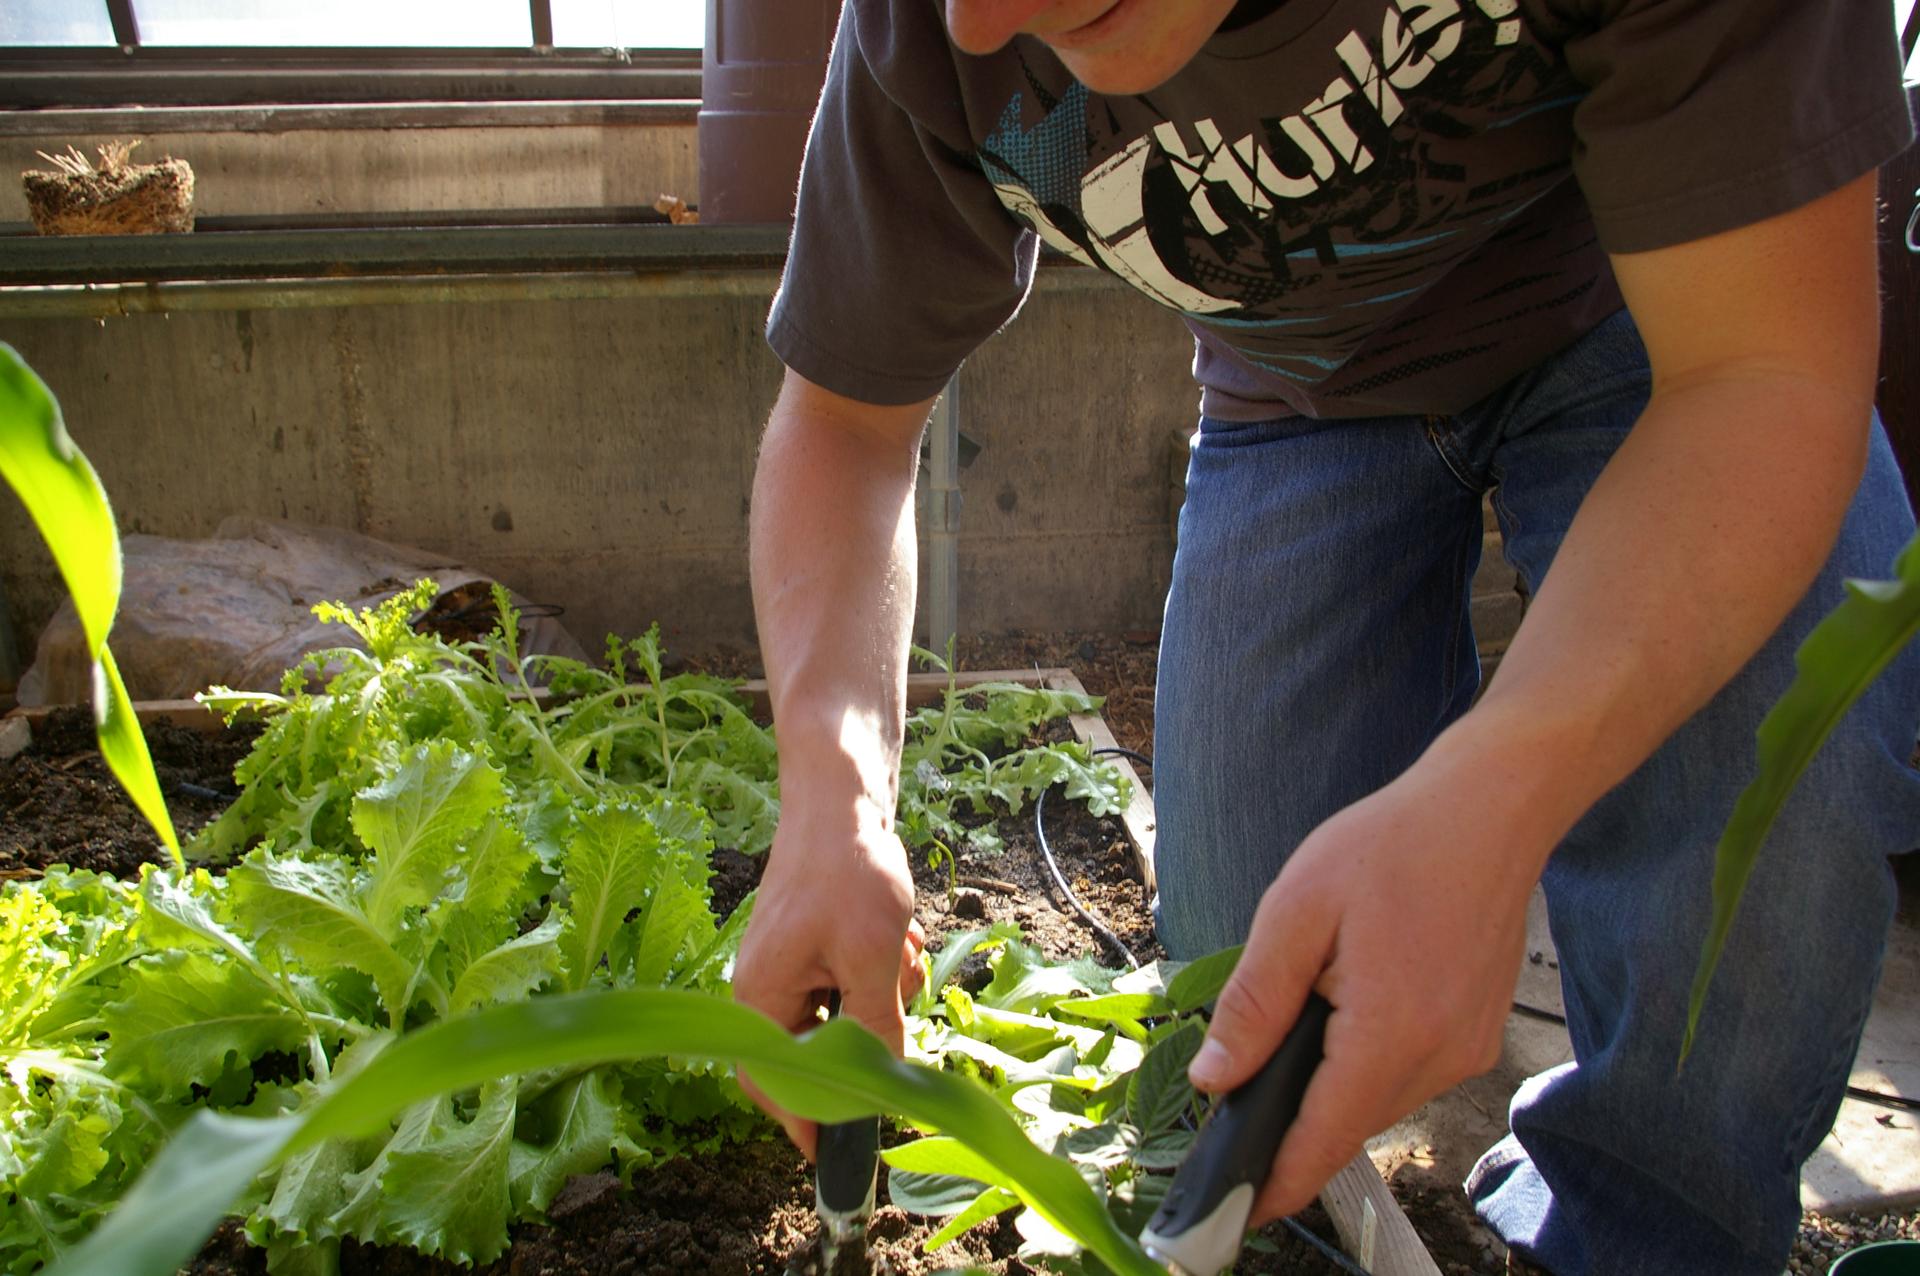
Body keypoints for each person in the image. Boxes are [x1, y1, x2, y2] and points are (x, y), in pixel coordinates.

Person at [729, 1, 1920, 1272]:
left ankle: (1644, 1227)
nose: (983, 20)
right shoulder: (930, 31)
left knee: (1773, 822)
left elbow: (1761, 374)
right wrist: (833, 803)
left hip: (1656, 317)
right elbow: (845, 427)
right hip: (1298, 391)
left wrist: (1497, 795)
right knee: (1243, 954)